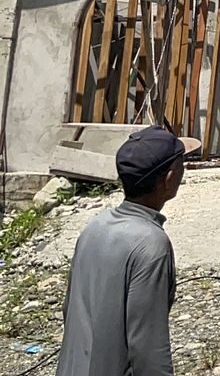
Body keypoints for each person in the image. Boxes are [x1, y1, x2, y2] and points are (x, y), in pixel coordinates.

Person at [57, 126, 200, 376]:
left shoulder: (94, 228)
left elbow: (70, 311)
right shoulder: (151, 244)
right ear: (168, 179)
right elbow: (148, 348)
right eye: (180, 165)